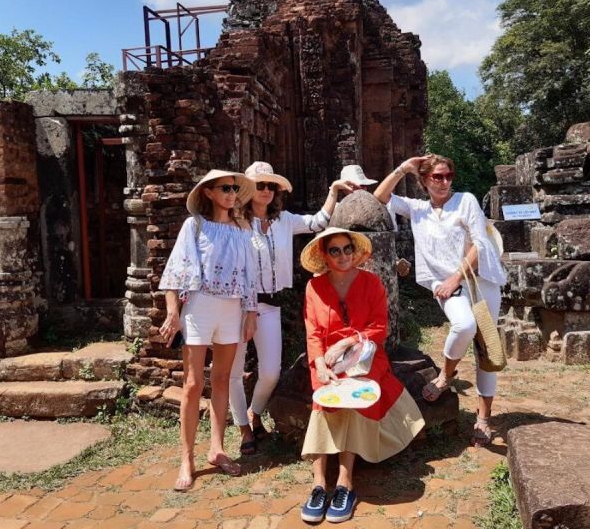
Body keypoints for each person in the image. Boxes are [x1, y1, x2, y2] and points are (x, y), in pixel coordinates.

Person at [373, 155, 507, 447]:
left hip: (479, 280)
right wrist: (402, 169)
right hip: (445, 283)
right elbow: (379, 197)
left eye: (448, 175)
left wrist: (455, 278)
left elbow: (479, 242)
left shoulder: (466, 200)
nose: (444, 181)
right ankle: (446, 375)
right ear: (424, 181)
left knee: (486, 350)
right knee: (463, 325)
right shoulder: (417, 209)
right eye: (437, 177)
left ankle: (483, 418)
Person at [230, 162, 357, 455]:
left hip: (270, 302)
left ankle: (254, 411)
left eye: (270, 186)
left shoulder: (284, 220)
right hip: (236, 304)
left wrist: (334, 190)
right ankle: (244, 429)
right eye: (259, 185)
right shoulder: (235, 223)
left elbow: (318, 223)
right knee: (235, 372)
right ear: (248, 190)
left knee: (271, 371)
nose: (265, 191)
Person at [299, 228, 425, 523]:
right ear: (324, 255)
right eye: (335, 250)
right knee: (324, 400)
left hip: (366, 357)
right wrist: (319, 365)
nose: (342, 256)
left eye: (347, 249)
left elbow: (380, 328)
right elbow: (313, 334)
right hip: (327, 361)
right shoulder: (314, 287)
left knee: (356, 396)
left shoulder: (371, 282)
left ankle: (345, 482)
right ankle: (318, 484)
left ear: (354, 253)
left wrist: (347, 340)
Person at [158, 169, 259, 491]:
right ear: (209, 193)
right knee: (192, 384)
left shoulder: (244, 229)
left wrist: (251, 313)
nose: (231, 193)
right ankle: (186, 457)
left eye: (234, 188)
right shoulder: (195, 226)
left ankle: (217, 448)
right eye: (224, 188)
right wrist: (173, 313)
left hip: (232, 310)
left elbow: (250, 276)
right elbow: (174, 271)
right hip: (200, 307)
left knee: (221, 381)